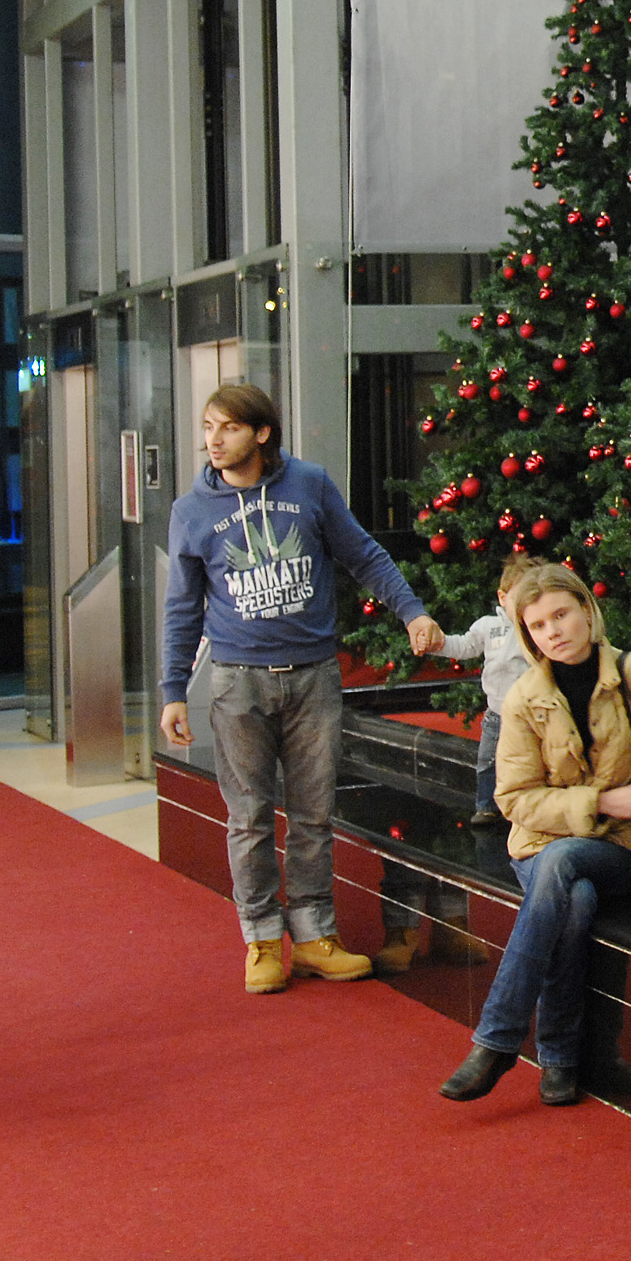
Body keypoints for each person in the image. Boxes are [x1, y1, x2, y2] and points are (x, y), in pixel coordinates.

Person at [158, 384, 444, 994]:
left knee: (314, 815)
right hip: (238, 683)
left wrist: (412, 612)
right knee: (249, 818)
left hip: (313, 676)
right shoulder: (192, 511)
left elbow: (363, 555)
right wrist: (172, 690)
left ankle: (315, 938)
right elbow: (182, 609)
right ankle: (262, 941)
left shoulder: (308, 484)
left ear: (261, 433)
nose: (213, 440)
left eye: (228, 428)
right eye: (208, 427)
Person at [437, 563, 631, 1107]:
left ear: (587, 611)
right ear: (526, 634)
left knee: (567, 867)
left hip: (620, 847)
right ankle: (563, 1063)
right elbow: (514, 799)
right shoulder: (524, 697)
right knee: (574, 896)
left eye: (561, 615)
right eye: (538, 625)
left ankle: (498, 1042)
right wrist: (599, 802)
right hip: (538, 846)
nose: (553, 631)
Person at [409, 548, 540, 826]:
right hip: (497, 713)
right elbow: (464, 646)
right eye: (519, 598)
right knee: (488, 761)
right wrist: (438, 644)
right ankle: (486, 806)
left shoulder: (536, 628)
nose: (525, 606)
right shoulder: (488, 626)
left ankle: (529, 808)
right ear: (502, 598)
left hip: (531, 714)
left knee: (530, 761)